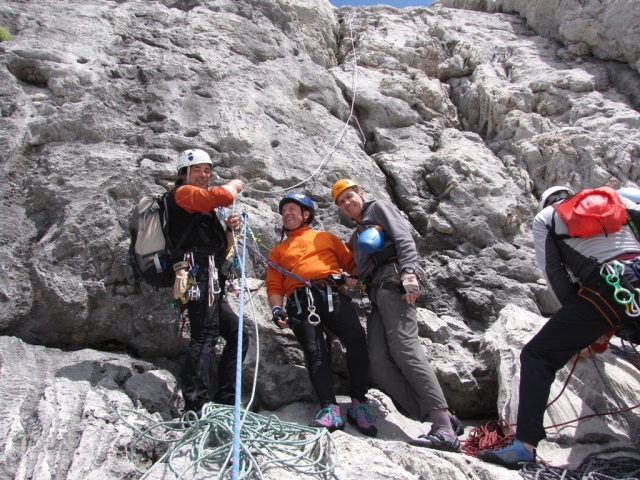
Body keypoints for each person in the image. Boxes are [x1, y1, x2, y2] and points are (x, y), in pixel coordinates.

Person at [477, 185, 640, 469]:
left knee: (537, 355)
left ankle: (524, 446)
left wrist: (581, 324)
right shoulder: (612, 197)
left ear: (545, 203)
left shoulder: (547, 218)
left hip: (608, 287)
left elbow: (554, 274)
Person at [331, 179, 463, 452]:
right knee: (378, 363)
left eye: (349, 196)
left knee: (405, 350)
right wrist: (352, 281)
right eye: (341, 201)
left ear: (361, 193)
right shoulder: (355, 238)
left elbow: (403, 237)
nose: (347, 203)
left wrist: (409, 272)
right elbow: (362, 272)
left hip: (395, 282)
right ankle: (441, 417)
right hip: (377, 296)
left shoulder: (378, 208)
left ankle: (443, 429)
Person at [265, 192, 377, 436]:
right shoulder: (277, 252)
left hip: (332, 294)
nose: (287, 214)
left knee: (356, 339)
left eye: (293, 209)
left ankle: (359, 403)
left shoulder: (326, 238)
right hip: (300, 302)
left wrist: (355, 280)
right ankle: (329, 408)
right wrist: (276, 310)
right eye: (284, 211)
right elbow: (274, 286)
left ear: (307, 214)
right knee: (315, 353)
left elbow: (352, 265)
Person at [167, 148, 249, 415]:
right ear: (183, 174)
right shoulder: (182, 194)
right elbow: (222, 195)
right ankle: (195, 404)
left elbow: (223, 250)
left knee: (238, 334)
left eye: (207, 170)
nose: (204, 175)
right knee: (205, 334)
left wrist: (228, 229)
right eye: (197, 170)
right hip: (197, 271)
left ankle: (226, 399)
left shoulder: (204, 208)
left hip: (211, 274)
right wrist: (233, 187)